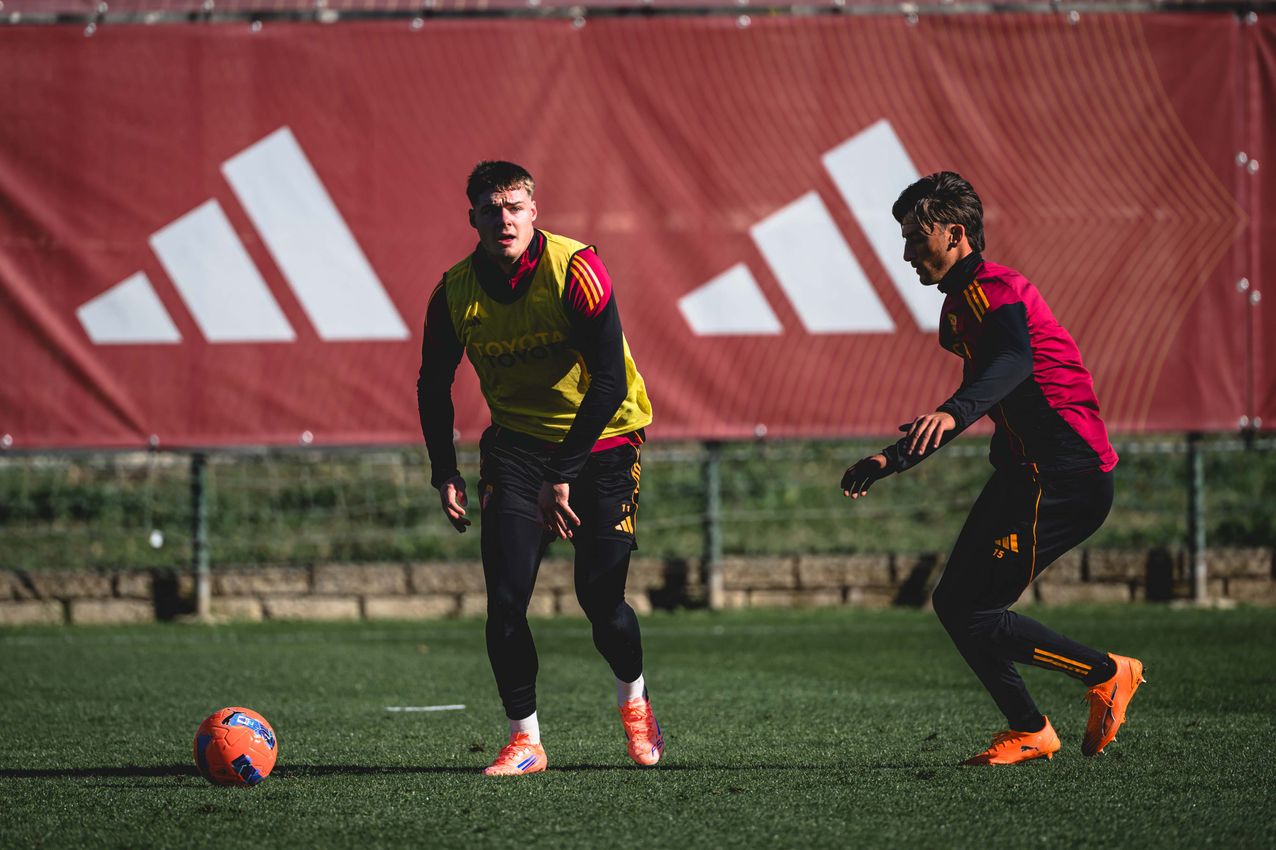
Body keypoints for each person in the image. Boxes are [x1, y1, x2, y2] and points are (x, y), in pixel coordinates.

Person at [840, 172, 1145, 765]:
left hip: (1066, 475)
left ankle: (1108, 673)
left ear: (956, 235)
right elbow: (983, 390)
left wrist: (952, 414)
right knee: (956, 605)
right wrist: (892, 458)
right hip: (1026, 472)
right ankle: (1031, 728)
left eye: (915, 238)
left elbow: (1010, 362)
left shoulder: (993, 290)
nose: (905, 253)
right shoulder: (962, 307)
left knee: (974, 609)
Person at [417, 161, 663, 776]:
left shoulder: (576, 269)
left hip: (604, 438)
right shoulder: (454, 292)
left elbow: (608, 381)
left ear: (534, 212)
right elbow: (432, 384)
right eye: (490, 208)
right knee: (505, 601)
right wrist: (442, 468)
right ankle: (525, 739)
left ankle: (634, 700)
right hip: (519, 447)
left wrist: (565, 471)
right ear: (472, 216)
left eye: (514, 207)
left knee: (600, 600)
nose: (503, 218)